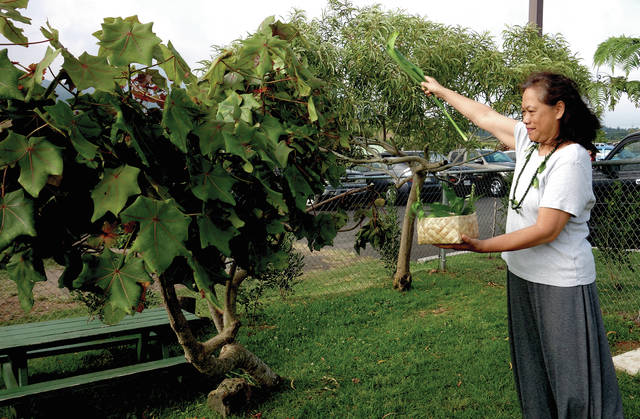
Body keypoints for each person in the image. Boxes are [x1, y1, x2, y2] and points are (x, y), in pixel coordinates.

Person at [421, 72, 624, 419]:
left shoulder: (570, 158)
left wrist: (484, 246)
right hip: (523, 274)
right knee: (533, 369)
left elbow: (547, 229)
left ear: (558, 109)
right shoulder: (529, 142)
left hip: (561, 284)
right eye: (522, 112)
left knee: (572, 379)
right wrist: (441, 90)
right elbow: (482, 115)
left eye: (532, 111)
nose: (525, 119)